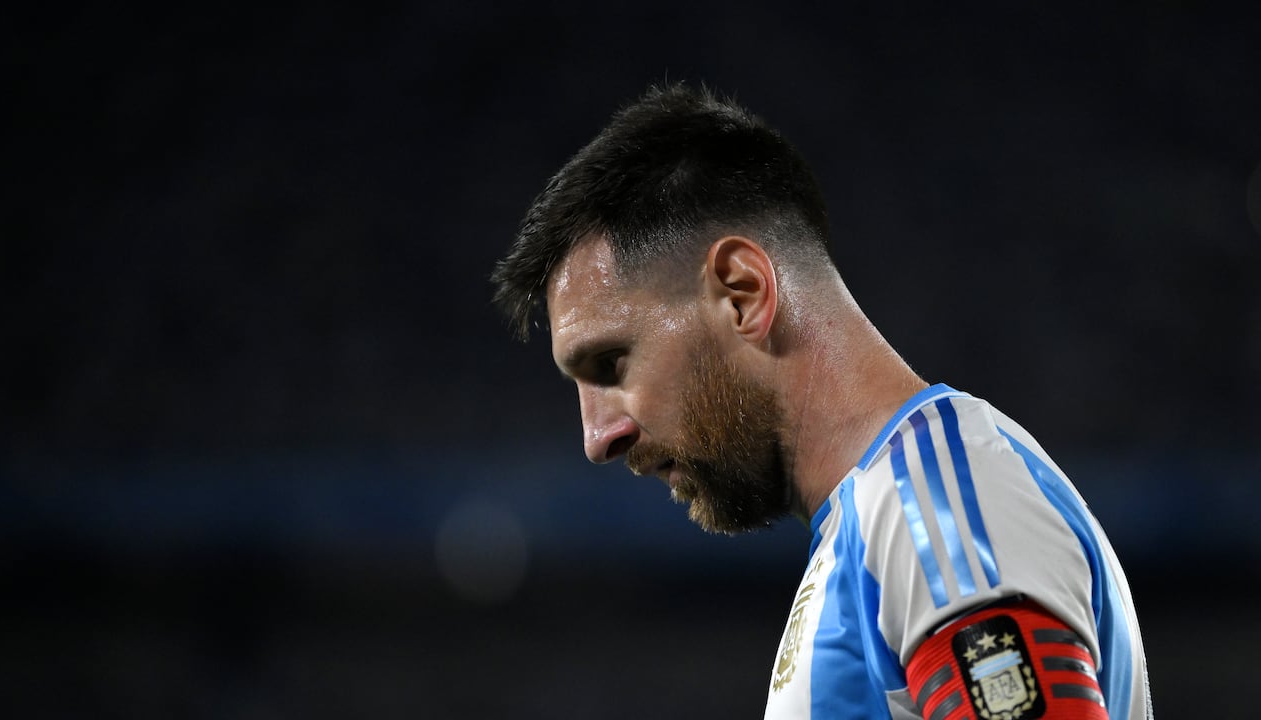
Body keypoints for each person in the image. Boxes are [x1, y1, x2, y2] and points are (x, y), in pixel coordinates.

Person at [490, 82, 1152, 720]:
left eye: (610, 363)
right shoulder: (880, 519)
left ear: (742, 292)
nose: (596, 436)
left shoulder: (933, 511)